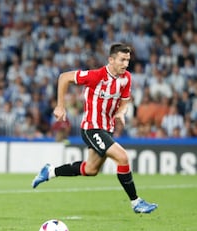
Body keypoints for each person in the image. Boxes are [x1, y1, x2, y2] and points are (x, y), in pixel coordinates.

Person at [32, 43, 158, 214]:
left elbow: (125, 100)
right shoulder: (96, 76)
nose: (126, 64)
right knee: (122, 157)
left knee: (90, 170)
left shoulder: (126, 78)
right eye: (122, 60)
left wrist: (121, 112)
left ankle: (50, 172)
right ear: (111, 60)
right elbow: (64, 77)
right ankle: (136, 202)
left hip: (107, 129)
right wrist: (61, 106)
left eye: (128, 60)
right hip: (92, 128)